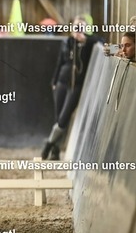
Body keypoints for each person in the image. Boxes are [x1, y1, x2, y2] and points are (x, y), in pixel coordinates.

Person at [42, 14, 102, 160]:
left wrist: (85, 40)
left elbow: (101, 42)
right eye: (76, 27)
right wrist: (54, 81)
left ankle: (49, 143)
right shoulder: (67, 42)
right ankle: (55, 151)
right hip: (62, 82)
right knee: (58, 117)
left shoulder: (89, 43)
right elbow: (60, 62)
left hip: (76, 84)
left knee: (64, 117)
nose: (78, 30)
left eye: (81, 27)